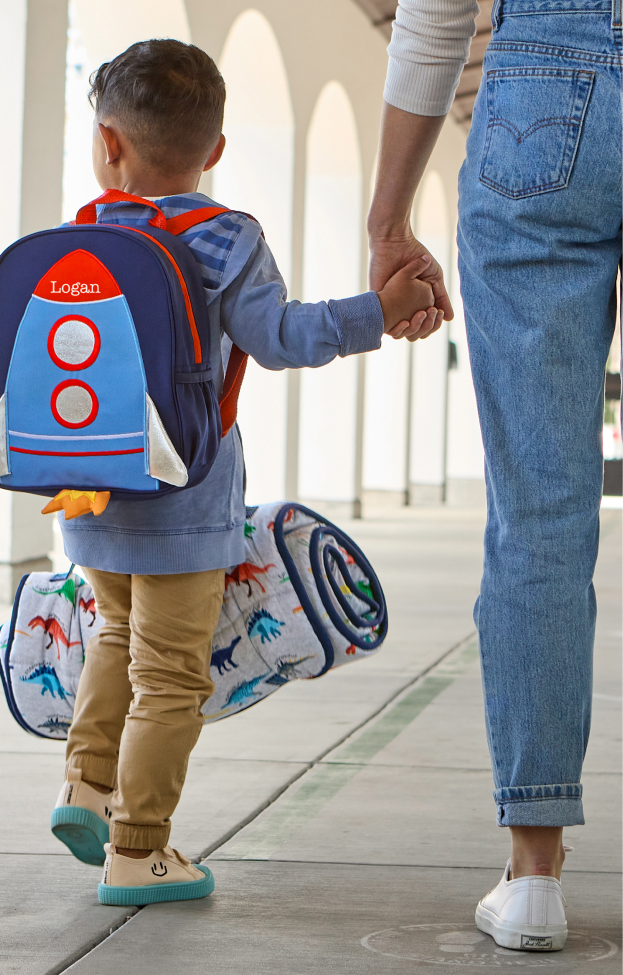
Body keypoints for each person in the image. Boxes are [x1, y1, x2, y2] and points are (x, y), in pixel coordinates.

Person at [49, 38, 437, 906]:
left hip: (88, 489)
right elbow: (283, 338)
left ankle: (85, 783)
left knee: (115, 636)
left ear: (108, 144)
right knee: (174, 675)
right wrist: (382, 310)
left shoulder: (79, 233)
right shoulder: (227, 238)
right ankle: (139, 849)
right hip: (185, 499)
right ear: (215, 150)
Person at [368, 0, 621, 952]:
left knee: (539, 512)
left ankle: (532, 877)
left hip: (539, 93)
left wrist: (389, 218)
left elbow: (434, 19)